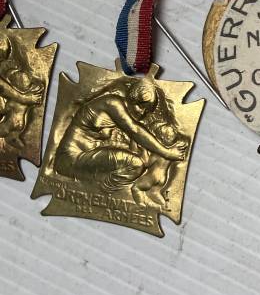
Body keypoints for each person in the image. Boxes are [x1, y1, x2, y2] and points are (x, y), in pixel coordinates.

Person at [53, 77, 188, 210]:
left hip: (84, 161)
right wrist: (167, 152)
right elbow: (135, 130)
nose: (143, 113)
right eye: (142, 107)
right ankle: (102, 192)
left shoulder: (118, 113)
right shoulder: (112, 103)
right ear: (132, 99)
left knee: (135, 162)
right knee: (134, 164)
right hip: (70, 159)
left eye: (147, 110)